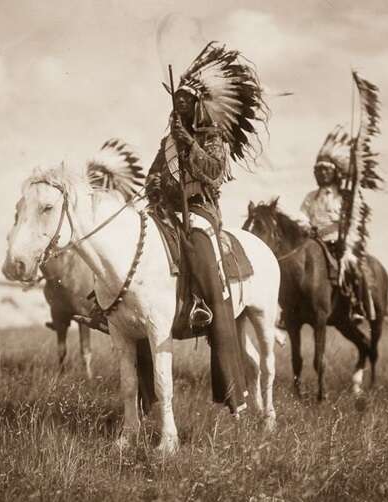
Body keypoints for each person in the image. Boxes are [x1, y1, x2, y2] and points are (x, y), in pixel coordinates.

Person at [145, 42, 269, 415]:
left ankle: (205, 307)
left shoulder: (212, 138)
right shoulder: (167, 141)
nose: (178, 106)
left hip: (200, 212)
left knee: (199, 247)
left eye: (185, 102)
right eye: (176, 102)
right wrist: (154, 194)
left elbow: (213, 174)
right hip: (167, 212)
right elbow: (153, 176)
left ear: (197, 105)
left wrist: (190, 146)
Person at [296, 126, 369, 322]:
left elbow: (355, 223)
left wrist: (346, 242)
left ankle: (356, 305)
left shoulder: (345, 198)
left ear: (334, 173)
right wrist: (306, 228)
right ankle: (289, 312)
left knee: (352, 268)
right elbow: (302, 217)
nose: (320, 173)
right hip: (313, 243)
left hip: (338, 244)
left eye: (325, 170)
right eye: (317, 170)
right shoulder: (311, 197)